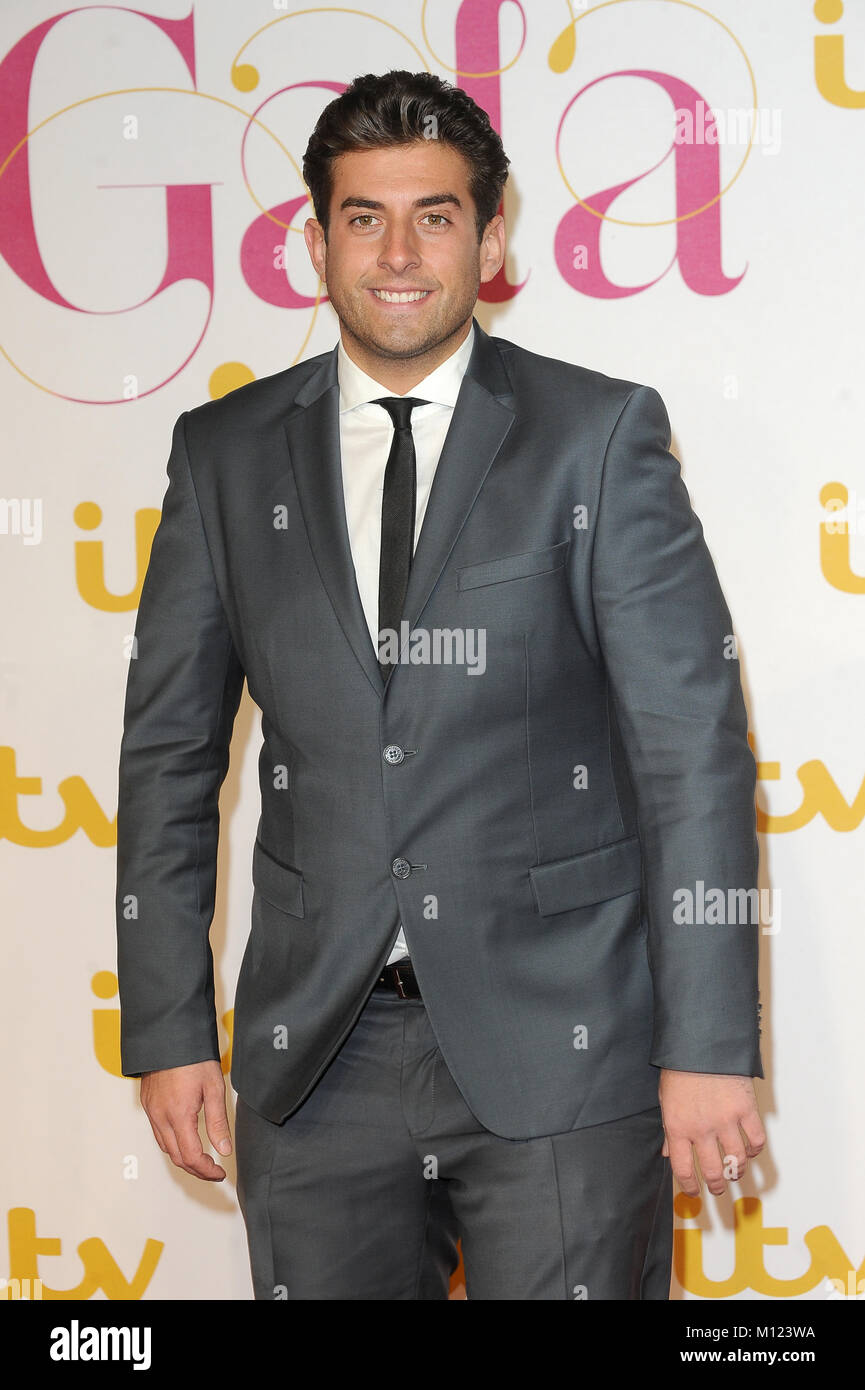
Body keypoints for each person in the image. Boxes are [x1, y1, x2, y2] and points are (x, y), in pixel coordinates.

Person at [115, 69, 766, 1301]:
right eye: (364, 217)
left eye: (436, 215)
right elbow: (166, 758)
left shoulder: (598, 434)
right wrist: (163, 1030)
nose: (399, 252)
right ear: (316, 242)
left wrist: (708, 1048)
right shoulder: (222, 454)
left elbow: (691, 755)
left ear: (492, 236)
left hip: (566, 1052)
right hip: (317, 1064)